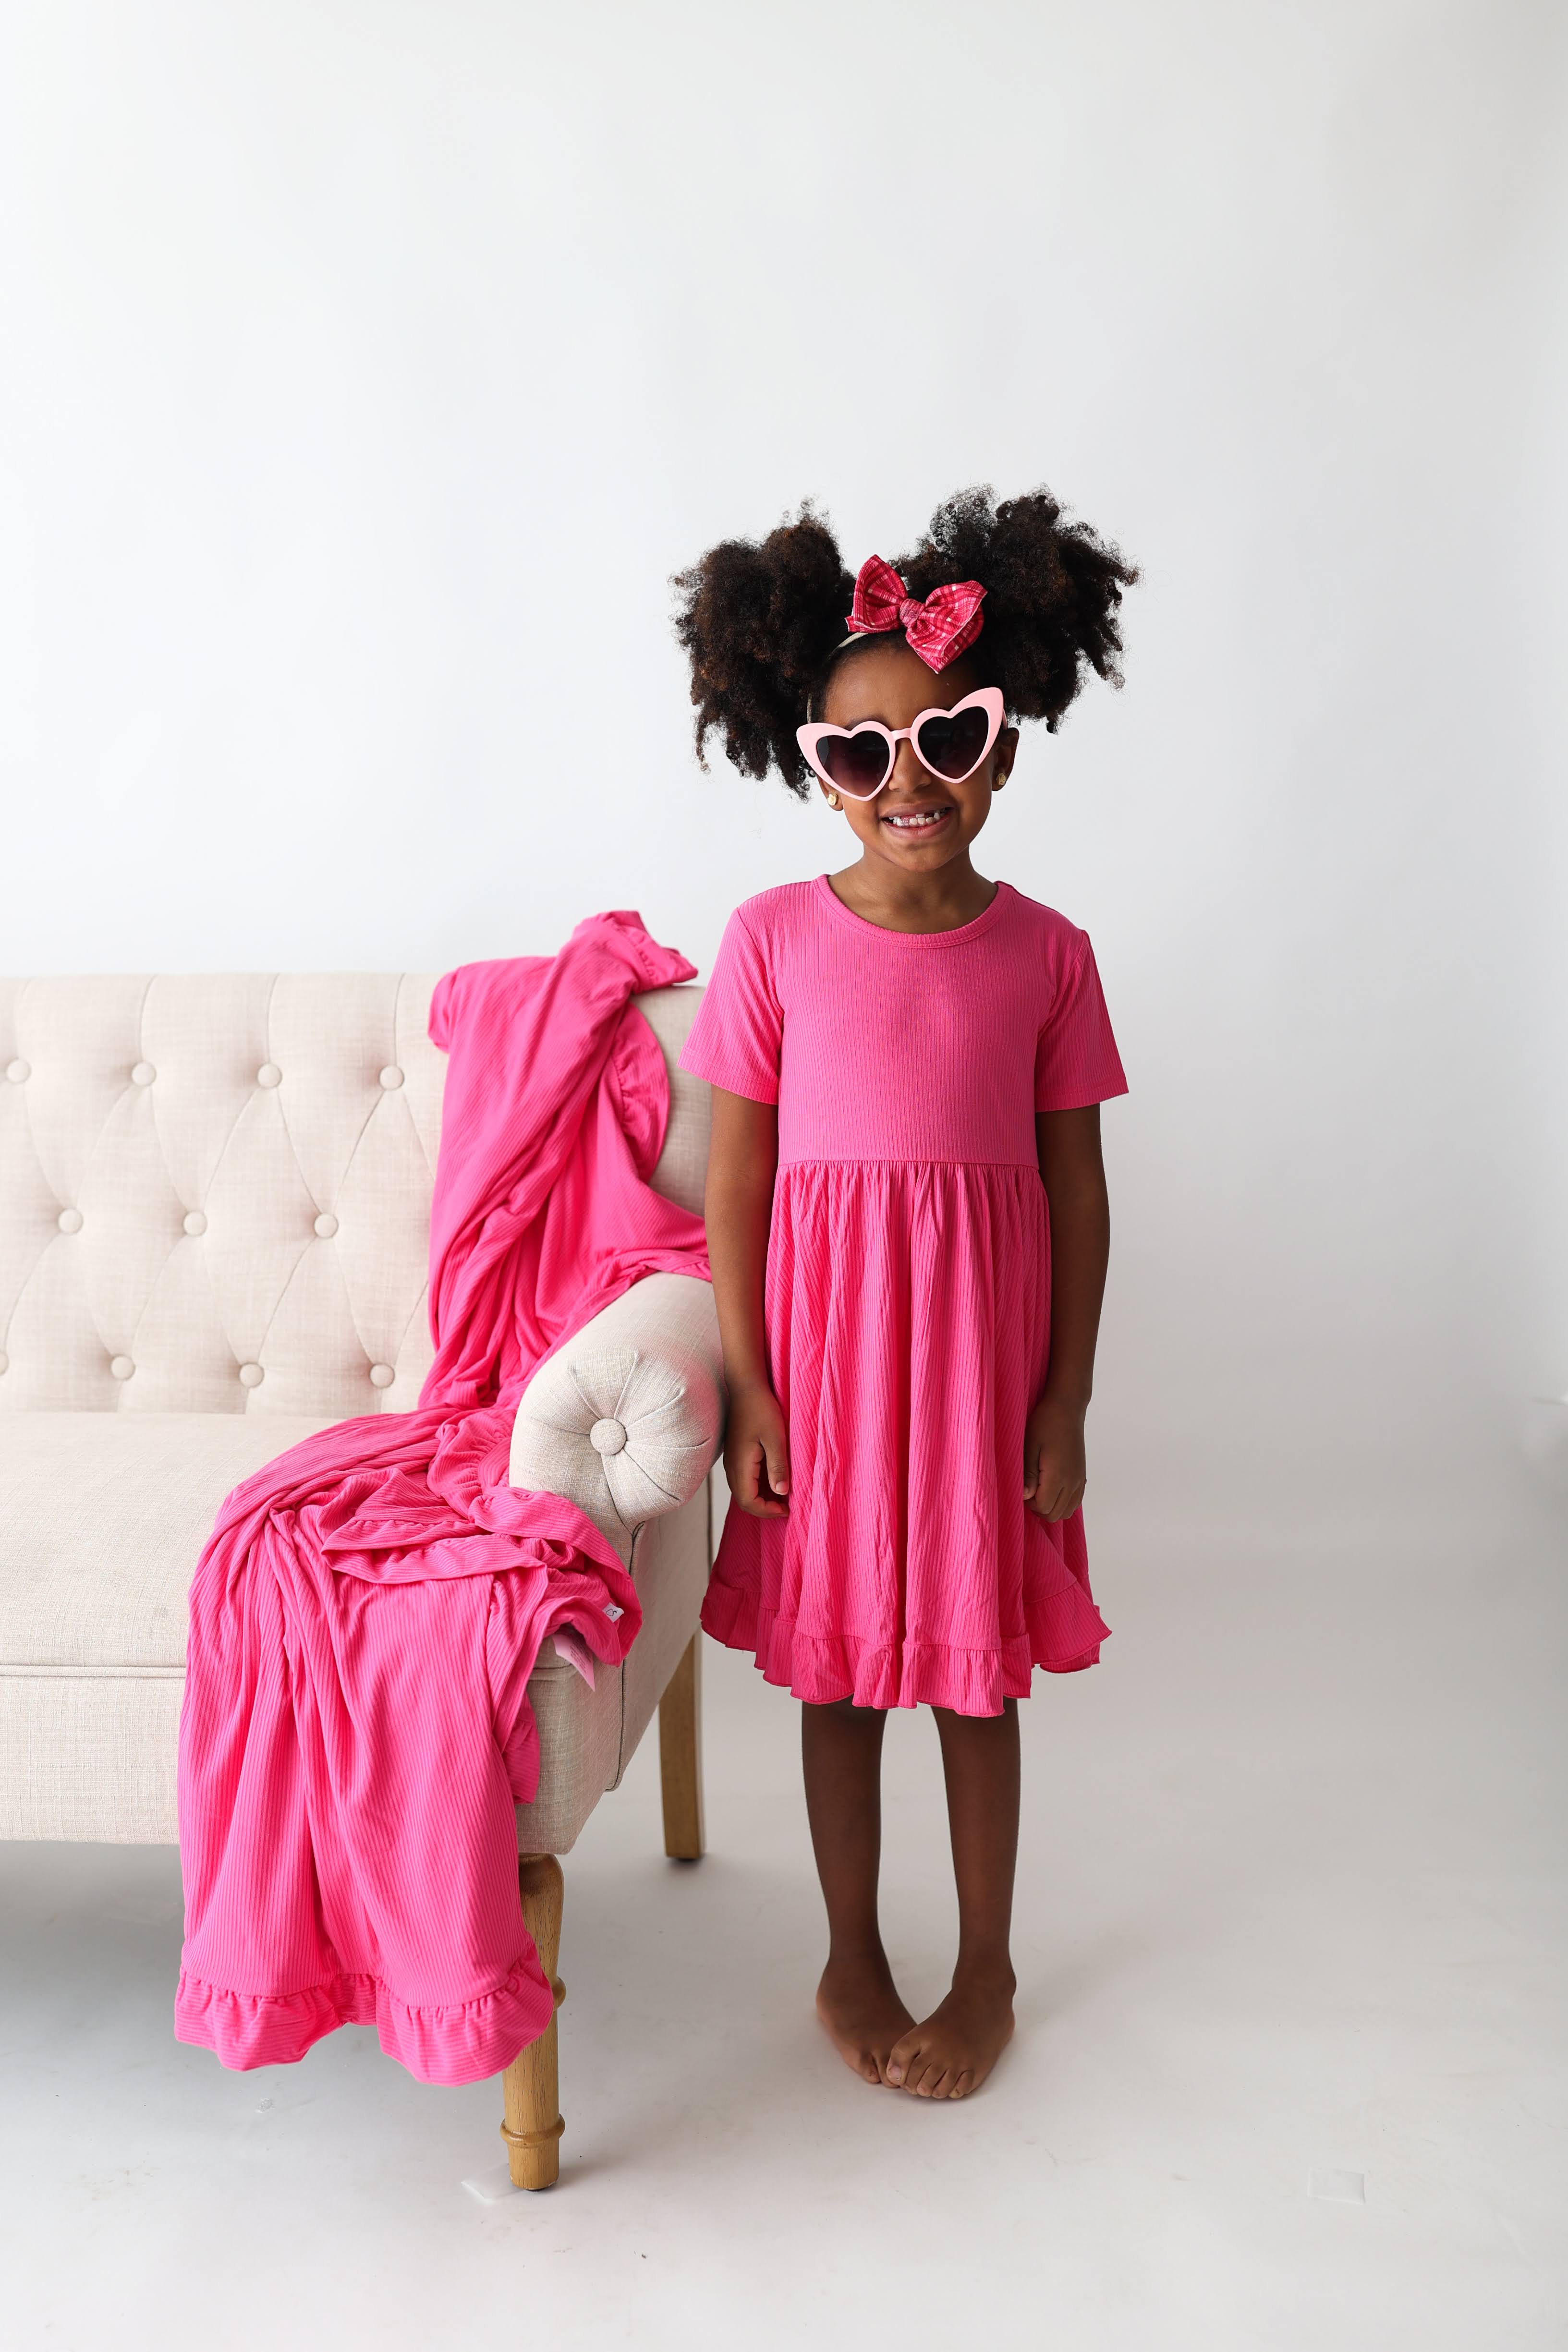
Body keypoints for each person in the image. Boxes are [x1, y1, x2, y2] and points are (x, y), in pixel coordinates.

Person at [673, 486, 1135, 2100]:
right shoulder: (768, 941)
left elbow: (1076, 1190)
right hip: (829, 1371)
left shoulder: (1049, 955)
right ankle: (849, 1951)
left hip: (980, 1376)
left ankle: (986, 1964)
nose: (907, 781)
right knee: (841, 1670)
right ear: (814, 772)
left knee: (970, 1670)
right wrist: (752, 1385)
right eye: (859, 754)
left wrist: (1064, 1397)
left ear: (998, 750)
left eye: (945, 739)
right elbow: (736, 1185)